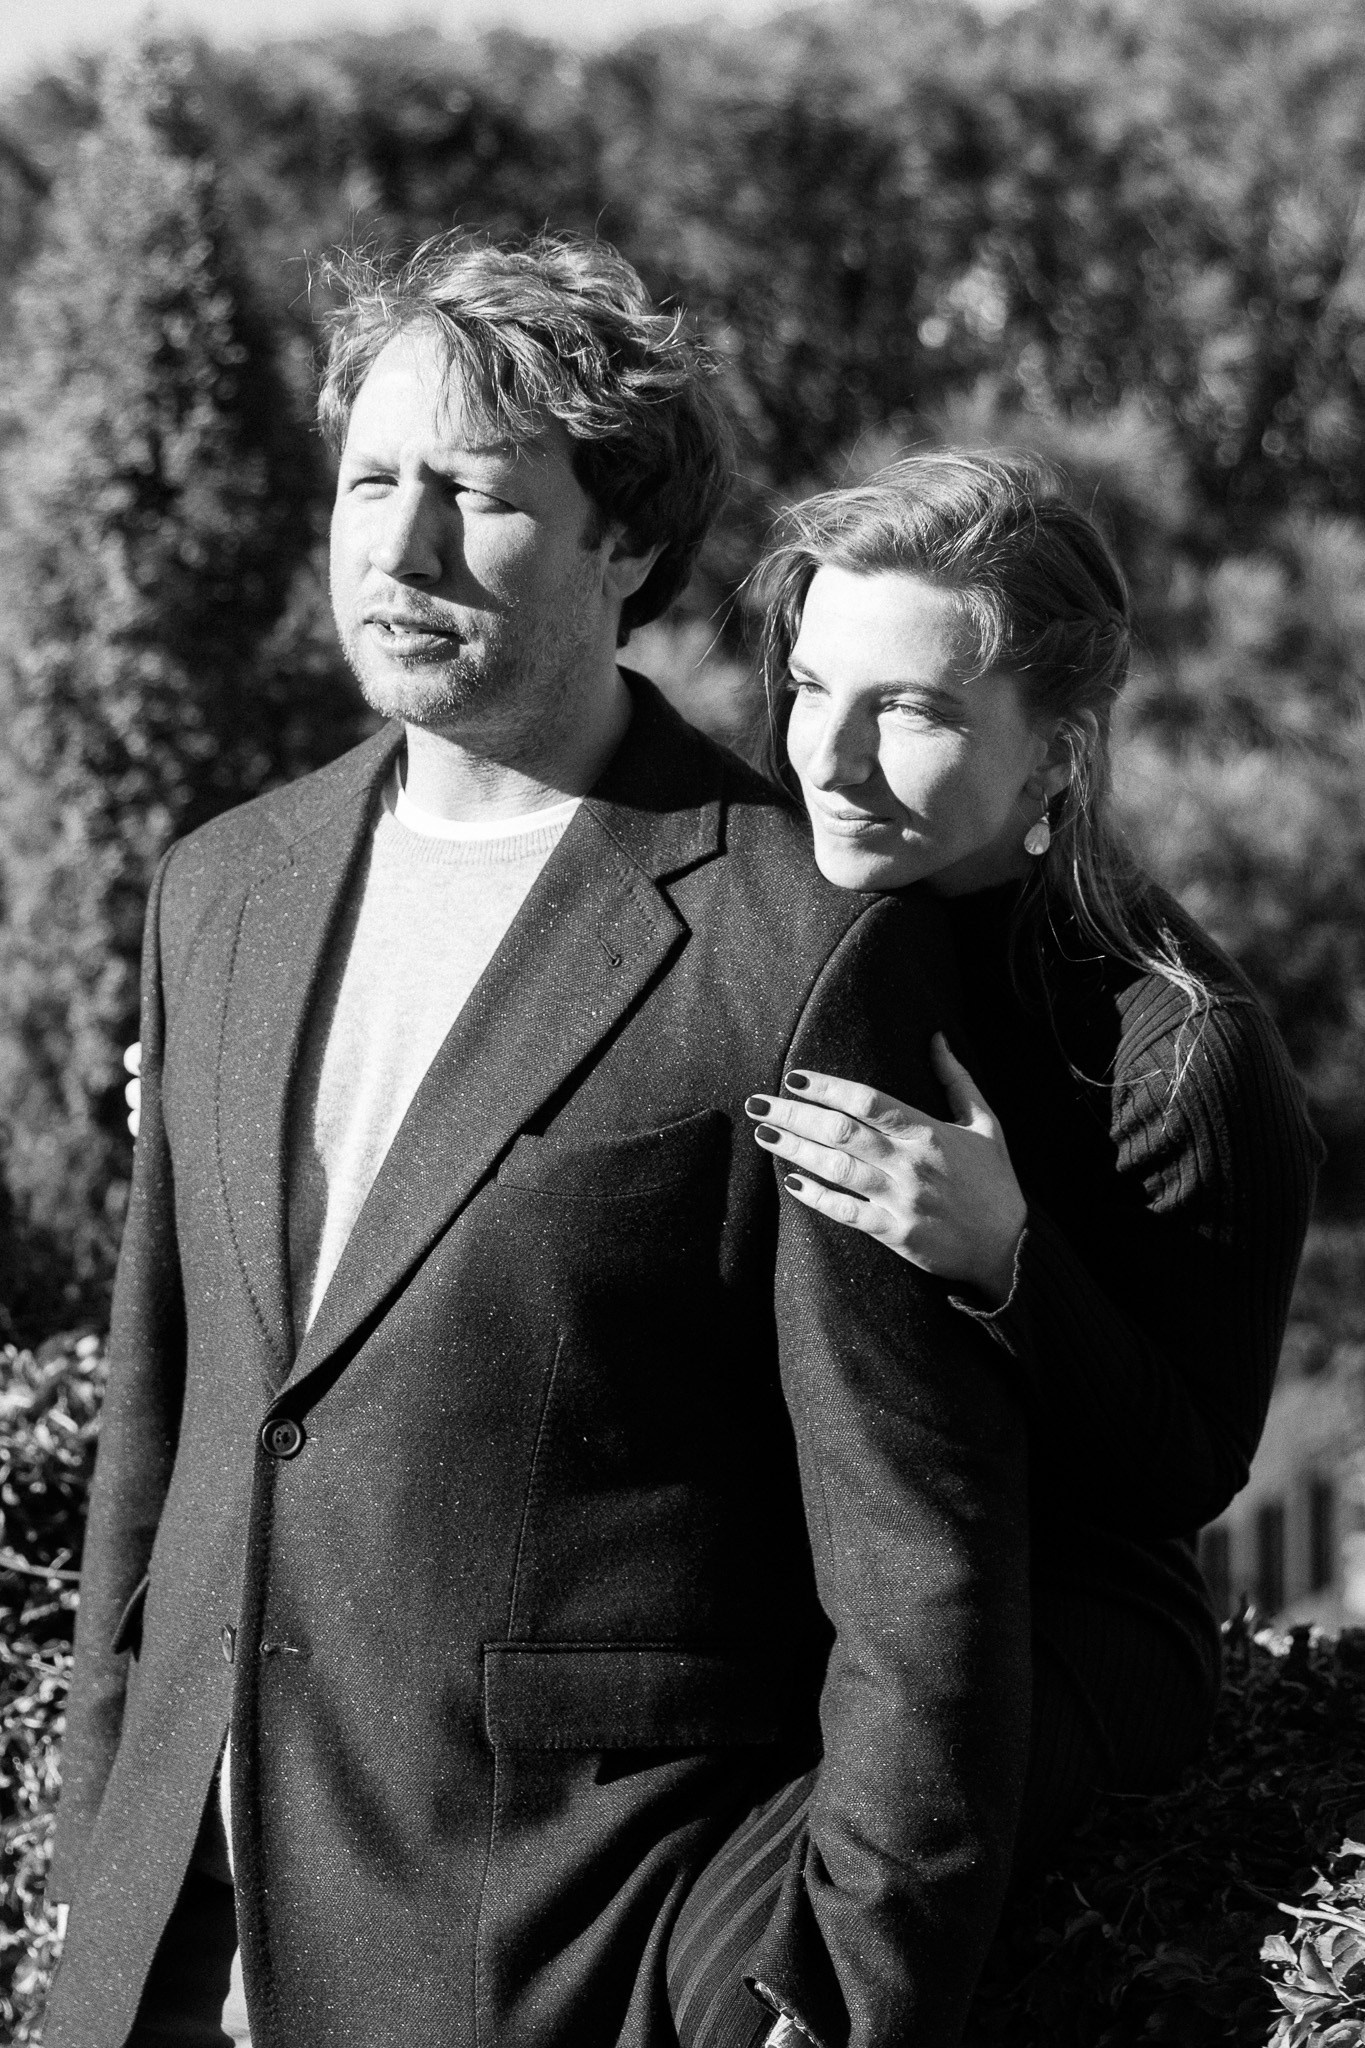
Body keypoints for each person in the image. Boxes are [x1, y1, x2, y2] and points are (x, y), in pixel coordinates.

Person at [45, 238, 1031, 2048]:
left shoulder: (795, 938)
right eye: (370, 483)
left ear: (628, 544)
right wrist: (95, 1849)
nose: (400, 552)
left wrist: (829, 1994)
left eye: (478, 497)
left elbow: (921, 1561)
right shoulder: (220, 890)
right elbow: (168, 1422)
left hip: (548, 1956)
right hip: (166, 1957)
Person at [737, 450, 1320, 1866]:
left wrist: (1005, 1258)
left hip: (1057, 1627)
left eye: (912, 712)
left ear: (1053, 753)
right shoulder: (756, 909)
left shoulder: (1181, 1056)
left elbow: (1181, 1470)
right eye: (812, 689)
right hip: (807, 1581)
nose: (829, 756)